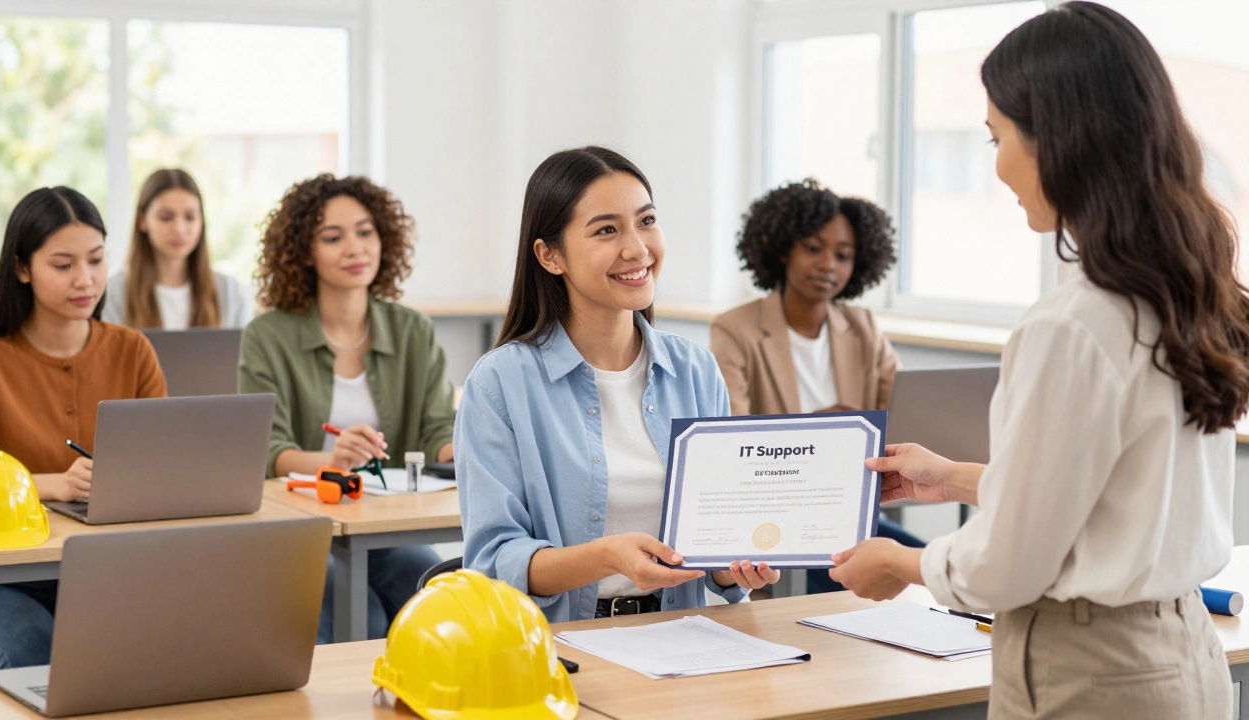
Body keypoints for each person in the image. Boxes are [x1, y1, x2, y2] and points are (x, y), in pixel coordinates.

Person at [829, 4, 1247, 717]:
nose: (996, 167)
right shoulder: (1183, 289)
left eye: (998, 137)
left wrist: (898, 563)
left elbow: (1007, 565)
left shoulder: (1072, 322)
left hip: (1089, 669)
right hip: (1181, 655)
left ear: (1059, 138)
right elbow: (1114, 498)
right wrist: (955, 478)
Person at [456, 146, 780, 624]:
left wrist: (735, 571)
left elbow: (714, 539)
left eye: (646, 221)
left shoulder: (696, 370)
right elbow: (493, 562)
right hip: (559, 648)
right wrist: (606, 556)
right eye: (607, 230)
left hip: (681, 637)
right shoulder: (500, 383)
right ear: (550, 256)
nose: (637, 248)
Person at [238, 174, 452, 643]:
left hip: (385, 528)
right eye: (333, 237)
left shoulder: (413, 331)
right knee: (362, 617)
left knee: (438, 592)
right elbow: (266, 450)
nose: (355, 247)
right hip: (301, 530)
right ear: (303, 252)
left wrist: (469, 446)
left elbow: (440, 431)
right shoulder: (267, 336)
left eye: (365, 231)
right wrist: (333, 463)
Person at [0, 187, 167, 670]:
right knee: (38, 658)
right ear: (21, 268)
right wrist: (48, 485)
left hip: (106, 567)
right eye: (63, 265)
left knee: (158, 655)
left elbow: (166, 465)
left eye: (96, 260)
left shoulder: (131, 349)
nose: (86, 279)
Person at [711, 180, 923, 594]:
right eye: (813, 248)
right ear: (782, 249)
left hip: (846, 504)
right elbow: (729, 437)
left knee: (926, 571)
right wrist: (816, 431)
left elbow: (900, 414)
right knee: (873, 574)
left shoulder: (863, 328)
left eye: (843, 255)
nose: (829, 264)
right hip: (775, 512)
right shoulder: (735, 330)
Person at [102, 168, 254, 329]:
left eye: (190, 217)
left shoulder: (230, 292)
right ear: (142, 220)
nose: (179, 229)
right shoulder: (113, 294)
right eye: (166, 218)